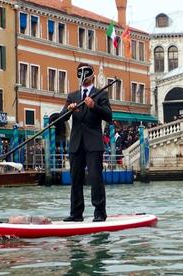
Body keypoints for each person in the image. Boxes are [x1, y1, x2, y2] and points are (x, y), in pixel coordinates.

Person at [60, 63, 112, 222]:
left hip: (93, 143)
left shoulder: (100, 94)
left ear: (92, 77)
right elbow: (62, 118)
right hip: (76, 143)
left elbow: (109, 116)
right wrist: (69, 110)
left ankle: (99, 213)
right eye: (80, 75)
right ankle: (76, 214)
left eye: (86, 75)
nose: (83, 78)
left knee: (96, 178)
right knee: (75, 179)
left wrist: (94, 106)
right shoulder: (72, 96)